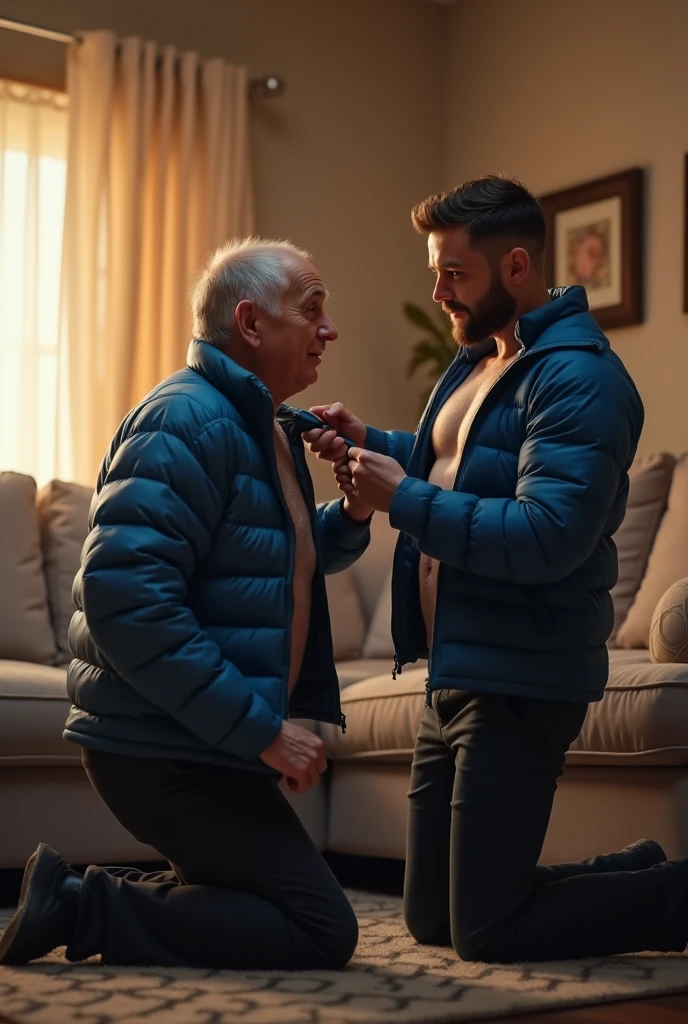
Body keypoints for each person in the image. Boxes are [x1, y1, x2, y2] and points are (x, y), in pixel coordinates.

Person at [304, 176, 688, 964]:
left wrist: (400, 497)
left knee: (484, 931)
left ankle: (673, 896)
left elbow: (547, 535)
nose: (439, 291)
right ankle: (631, 873)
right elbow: (455, 468)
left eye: (454, 273)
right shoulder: (484, 360)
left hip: (525, 674)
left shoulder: (580, 378)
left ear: (515, 266)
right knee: (433, 922)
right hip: (458, 668)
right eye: (434, 271)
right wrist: (370, 441)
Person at [0, 238, 375, 969]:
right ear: (252, 323)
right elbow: (122, 598)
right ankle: (81, 903)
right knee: (319, 926)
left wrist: (353, 516)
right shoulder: (187, 422)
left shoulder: (262, 423)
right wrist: (261, 727)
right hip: (159, 748)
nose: (329, 330)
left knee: (278, 904)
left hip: (199, 741)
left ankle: (91, 894)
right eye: (312, 310)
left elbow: (268, 561)